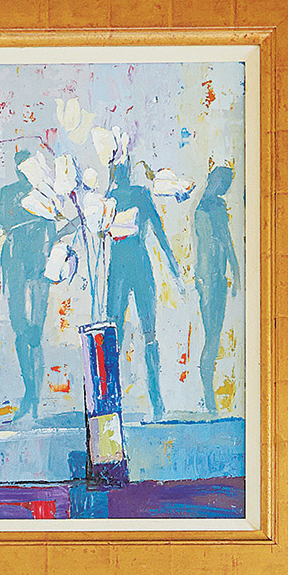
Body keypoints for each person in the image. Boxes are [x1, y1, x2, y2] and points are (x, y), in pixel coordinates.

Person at [104, 158, 180, 421]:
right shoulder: (129, 195)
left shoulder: (117, 196)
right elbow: (158, 230)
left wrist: (173, 264)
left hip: (126, 267)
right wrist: (172, 264)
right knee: (131, 332)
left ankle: (150, 401)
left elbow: (158, 230)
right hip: (134, 265)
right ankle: (147, 402)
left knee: (126, 331)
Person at [0, 155, 52, 423]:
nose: (23, 172)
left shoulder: (45, 192)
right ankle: (29, 393)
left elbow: (53, 228)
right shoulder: (8, 193)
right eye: (20, 167)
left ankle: (35, 400)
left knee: (35, 333)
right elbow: (5, 223)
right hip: (16, 262)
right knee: (21, 328)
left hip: (39, 265)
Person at [192, 161, 242, 417]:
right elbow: (218, 243)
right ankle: (208, 398)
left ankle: (209, 398)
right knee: (211, 337)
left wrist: (234, 272)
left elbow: (226, 242)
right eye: (224, 183)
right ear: (216, 181)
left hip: (214, 279)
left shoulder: (213, 207)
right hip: (209, 279)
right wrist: (232, 271)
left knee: (213, 337)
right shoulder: (207, 208)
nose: (225, 188)